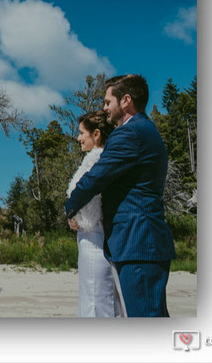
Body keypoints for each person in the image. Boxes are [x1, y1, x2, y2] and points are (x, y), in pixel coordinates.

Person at [65, 74, 176, 317]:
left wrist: (69, 207)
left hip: (138, 242)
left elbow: (96, 178)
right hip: (140, 242)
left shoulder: (130, 133)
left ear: (125, 101)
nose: (104, 108)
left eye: (107, 102)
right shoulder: (143, 129)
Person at [67, 110, 122, 317]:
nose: (78, 138)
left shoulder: (97, 159)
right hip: (90, 236)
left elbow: (85, 194)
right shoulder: (94, 158)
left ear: (96, 134)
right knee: (97, 295)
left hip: (94, 239)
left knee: (96, 298)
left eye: (82, 133)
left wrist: (74, 216)